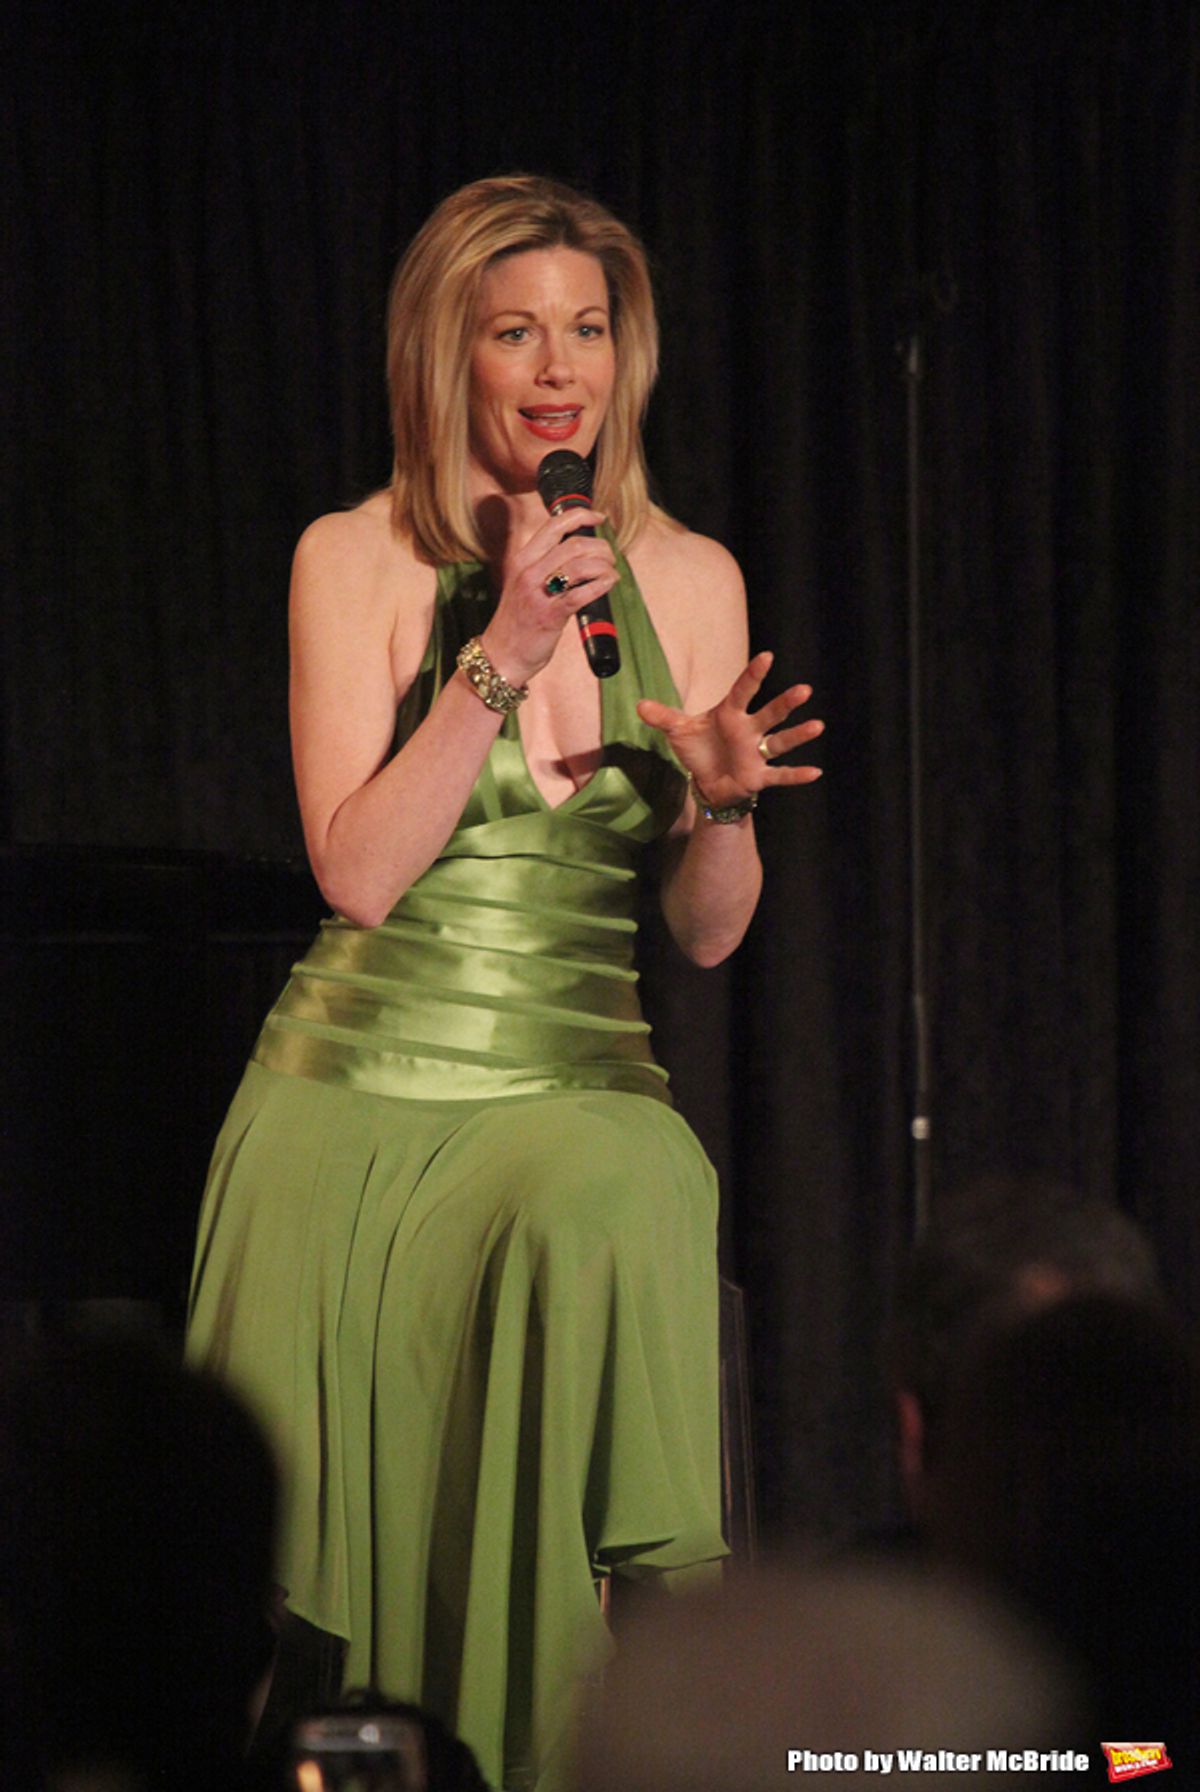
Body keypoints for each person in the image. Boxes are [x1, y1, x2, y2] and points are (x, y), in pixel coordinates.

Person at [186, 173, 824, 1792]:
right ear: (444, 354)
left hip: (577, 1078)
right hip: (355, 1092)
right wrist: (505, 653)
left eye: (588, 331)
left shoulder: (691, 576)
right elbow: (358, 874)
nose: (559, 369)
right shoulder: (353, 557)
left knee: (631, 1177)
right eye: (517, 332)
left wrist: (726, 807)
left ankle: (571, 1734)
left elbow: (708, 934)